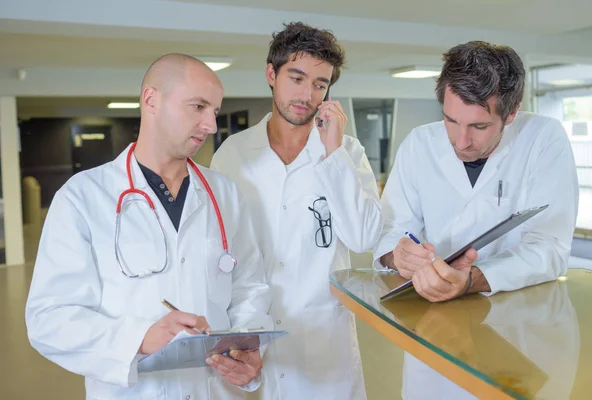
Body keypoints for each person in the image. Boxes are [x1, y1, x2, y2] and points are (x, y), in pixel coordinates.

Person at [25, 53, 272, 400]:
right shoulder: (83, 197)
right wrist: (138, 340)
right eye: (198, 107)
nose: (211, 126)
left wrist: (246, 347)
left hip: (214, 390)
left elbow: (249, 288)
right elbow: (50, 318)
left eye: (214, 112)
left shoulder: (224, 194)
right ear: (151, 100)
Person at [210, 22, 382, 400]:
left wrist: (333, 153)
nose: (308, 94)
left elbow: (363, 237)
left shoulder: (346, 152)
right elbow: (219, 251)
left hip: (325, 341)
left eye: (320, 84)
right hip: (250, 335)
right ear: (272, 74)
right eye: (297, 77)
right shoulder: (232, 156)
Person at [374, 41, 579, 302]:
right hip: (432, 309)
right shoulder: (419, 143)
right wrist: (399, 255)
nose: (461, 142)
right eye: (450, 120)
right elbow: (393, 230)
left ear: (512, 113)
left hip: (518, 314)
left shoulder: (543, 138)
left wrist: (472, 279)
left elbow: (550, 246)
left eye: (479, 126)